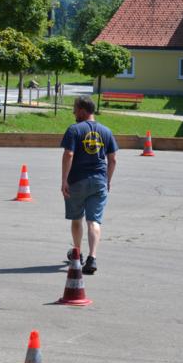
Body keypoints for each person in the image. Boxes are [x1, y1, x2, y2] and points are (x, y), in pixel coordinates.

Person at [60, 95, 118, 275]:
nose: (73, 113)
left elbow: (69, 154)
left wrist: (64, 180)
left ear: (82, 110)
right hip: (99, 181)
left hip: (77, 180)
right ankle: (92, 258)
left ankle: (77, 255)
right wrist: (107, 180)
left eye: (75, 109)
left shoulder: (74, 130)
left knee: (77, 219)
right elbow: (113, 159)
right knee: (94, 221)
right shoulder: (106, 131)